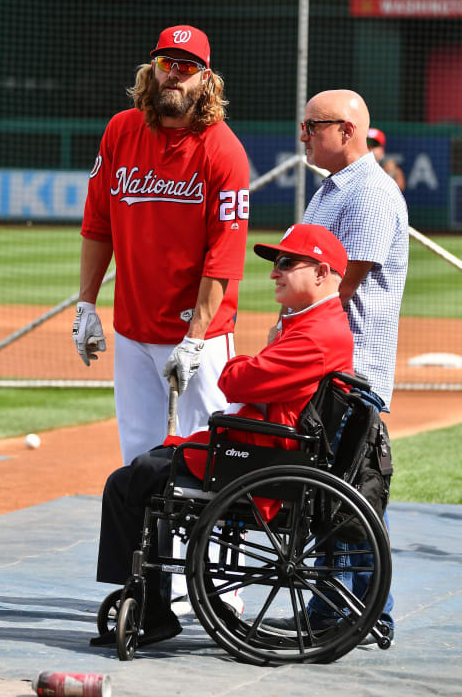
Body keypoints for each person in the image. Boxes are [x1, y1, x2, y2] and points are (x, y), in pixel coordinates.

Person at [89, 223, 355, 648]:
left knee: (131, 479)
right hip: (257, 452)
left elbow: (235, 381)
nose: (274, 273)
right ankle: (148, 599)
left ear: (322, 273)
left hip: (258, 460)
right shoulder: (312, 324)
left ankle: (149, 604)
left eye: (287, 263)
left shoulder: (316, 334)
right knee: (139, 473)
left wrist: (245, 363)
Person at [72, 25, 250, 467]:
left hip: (200, 335)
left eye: (187, 67)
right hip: (132, 329)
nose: (175, 74)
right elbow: (98, 224)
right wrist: (86, 305)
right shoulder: (120, 131)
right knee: (136, 455)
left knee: (206, 455)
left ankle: (201, 541)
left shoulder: (223, 151)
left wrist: (194, 339)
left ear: (206, 80)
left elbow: (225, 255)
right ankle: (144, 540)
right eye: (167, 64)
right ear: (152, 70)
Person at [298, 89, 408, 646]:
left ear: (345, 130)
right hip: (327, 366)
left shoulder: (369, 193)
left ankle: (361, 612)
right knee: (337, 492)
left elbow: (340, 286)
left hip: (351, 370)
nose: (303, 135)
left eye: (312, 125)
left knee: (350, 493)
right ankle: (339, 607)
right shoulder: (331, 190)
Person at [367, 127, 406, 192]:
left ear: (382, 150)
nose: (370, 147)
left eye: (374, 144)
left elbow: (400, 187)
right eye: (367, 143)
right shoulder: (352, 165)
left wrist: (390, 175)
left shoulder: (389, 168)